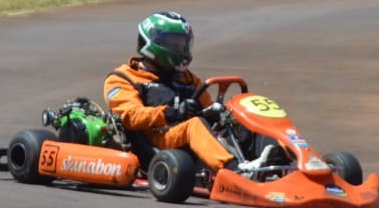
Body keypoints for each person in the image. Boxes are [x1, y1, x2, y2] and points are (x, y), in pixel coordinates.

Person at [102, 11, 262, 176]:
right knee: (195, 125)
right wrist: (170, 113)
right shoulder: (123, 78)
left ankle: (281, 160)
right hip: (158, 140)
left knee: (245, 120)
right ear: (152, 43)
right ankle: (234, 171)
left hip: (193, 138)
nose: (181, 50)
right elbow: (130, 117)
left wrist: (218, 114)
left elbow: (207, 109)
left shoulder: (188, 79)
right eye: (174, 46)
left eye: (183, 45)